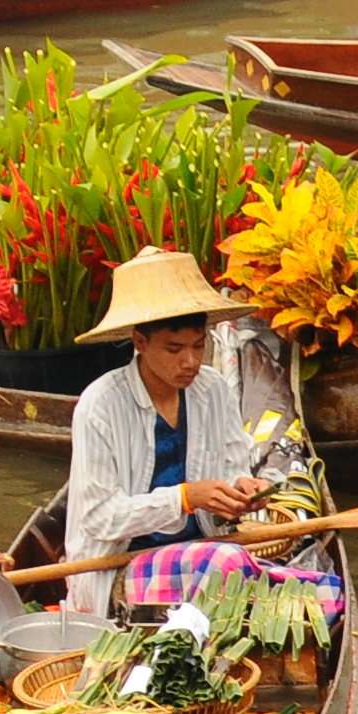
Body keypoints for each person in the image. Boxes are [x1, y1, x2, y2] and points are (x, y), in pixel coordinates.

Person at [66, 249, 261, 620]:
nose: (190, 362)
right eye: (174, 349)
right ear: (140, 342)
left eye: (198, 346)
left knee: (320, 591)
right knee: (227, 564)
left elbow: (235, 466)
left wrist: (242, 491)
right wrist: (185, 498)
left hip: (201, 550)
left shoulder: (214, 390)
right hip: (123, 565)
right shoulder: (101, 405)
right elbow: (99, 518)